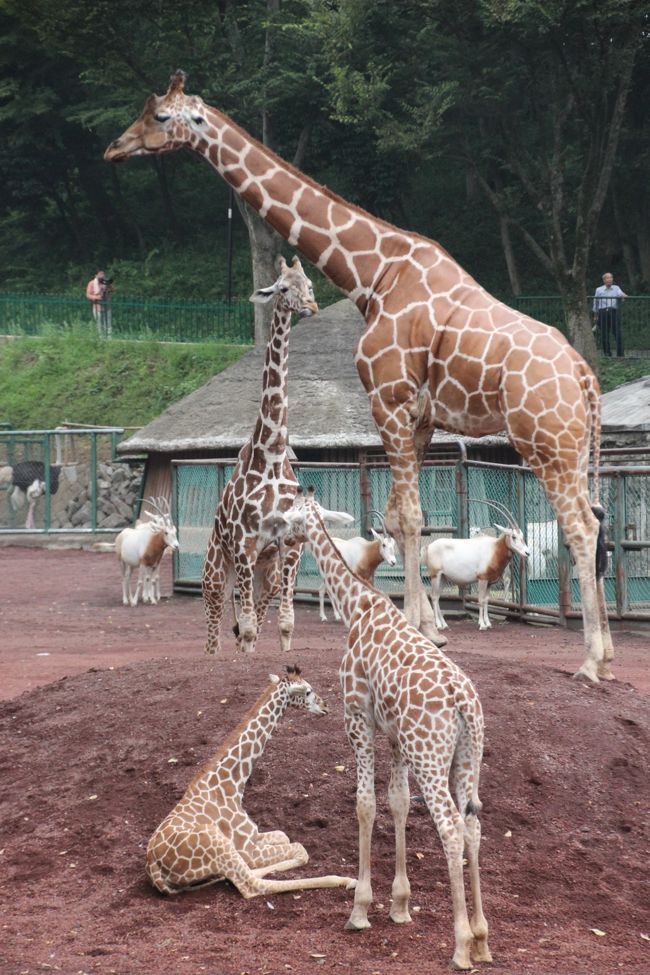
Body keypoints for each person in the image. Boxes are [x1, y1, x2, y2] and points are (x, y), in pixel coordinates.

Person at [592, 271, 627, 357]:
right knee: (604, 334)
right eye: (607, 278)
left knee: (618, 333)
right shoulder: (599, 289)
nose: (609, 279)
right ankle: (607, 354)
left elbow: (621, 294)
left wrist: (623, 296)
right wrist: (595, 315)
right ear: (604, 280)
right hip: (602, 312)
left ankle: (620, 354)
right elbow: (595, 302)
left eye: (611, 278)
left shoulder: (616, 288)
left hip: (613, 312)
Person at [85, 270, 114, 337]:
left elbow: (113, 290)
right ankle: (101, 338)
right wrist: (96, 297)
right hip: (97, 307)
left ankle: (109, 338)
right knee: (99, 324)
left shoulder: (105, 282)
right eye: (100, 274)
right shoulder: (92, 283)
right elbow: (88, 294)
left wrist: (108, 284)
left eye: (103, 274)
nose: (102, 276)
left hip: (107, 306)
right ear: (96, 275)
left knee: (108, 324)